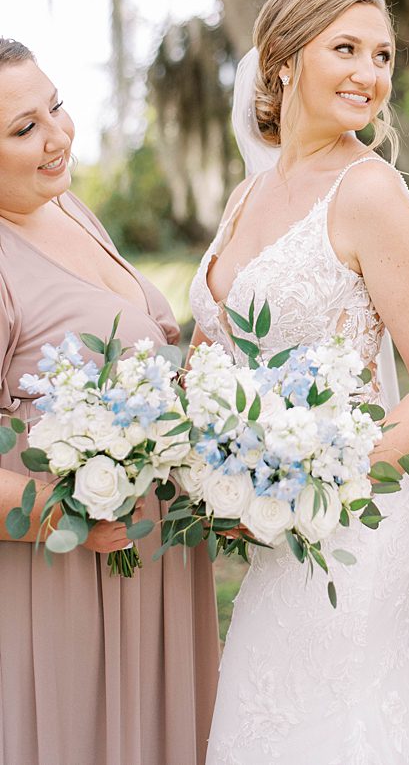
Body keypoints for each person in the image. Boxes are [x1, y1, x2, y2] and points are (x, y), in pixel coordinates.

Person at [187, 0, 409, 763]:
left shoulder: (372, 192)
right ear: (282, 61)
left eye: (382, 55)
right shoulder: (247, 197)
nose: (370, 73)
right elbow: (211, 349)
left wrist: (321, 468)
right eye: (345, 48)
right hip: (265, 523)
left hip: (351, 517)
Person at [0, 38, 220, 765]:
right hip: (57, 575)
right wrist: (68, 517)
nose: (56, 136)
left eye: (55, 106)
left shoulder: (67, 209)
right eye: (22, 129)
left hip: (151, 557)